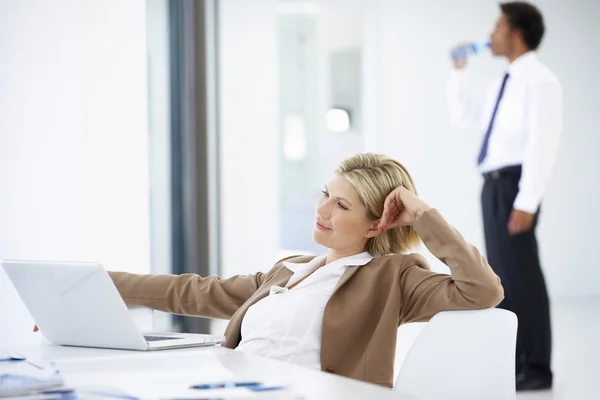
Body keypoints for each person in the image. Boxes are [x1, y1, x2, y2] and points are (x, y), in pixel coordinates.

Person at [90, 153, 504, 388]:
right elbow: (193, 292)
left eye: (342, 205)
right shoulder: (289, 270)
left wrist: (424, 215)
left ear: (377, 224)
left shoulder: (392, 277)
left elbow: (481, 291)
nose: (322, 210)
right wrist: (93, 287)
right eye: (326, 194)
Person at [447, 1, 561, 391]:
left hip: (515, 187)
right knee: (502, 278)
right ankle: (514, 364)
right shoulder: (504, 81)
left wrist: (526, 202)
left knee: (522, 278)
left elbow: (542, 145)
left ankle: (538, 369)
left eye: (496, 26)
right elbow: (464, 117)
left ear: (515, 32)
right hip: (493, 186)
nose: (489, 34)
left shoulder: (540, 81)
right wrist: (458, 74)